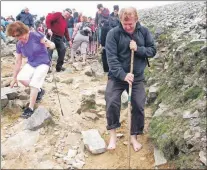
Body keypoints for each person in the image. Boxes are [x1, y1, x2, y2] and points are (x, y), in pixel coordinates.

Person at [105, 7, 156, 151]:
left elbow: (152, 50)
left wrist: (138, 48)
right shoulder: (112, 34)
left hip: (137, 77)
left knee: (139, 105)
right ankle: (113, 135)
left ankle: (134, 137)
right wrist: (122, 75)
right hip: (117, 77)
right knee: (112, 101)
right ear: (120, 20)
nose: (127, 27)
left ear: (136, 20)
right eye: (124, 24)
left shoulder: (144, 32)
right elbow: (112, 59)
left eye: (130, 24)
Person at [6, 21, 55, 118]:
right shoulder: (19, 44)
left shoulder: (36, 35)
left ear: (24, 30)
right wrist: (14, 78)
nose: (19, 38)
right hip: (32, 63)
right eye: (15, 36)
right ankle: (39, 90)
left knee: (34, 82)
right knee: (21, 78)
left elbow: (50, 44)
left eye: (19, 35)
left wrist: (50, 44)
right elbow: (18, 61)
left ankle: (30, 108)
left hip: (43, 62)